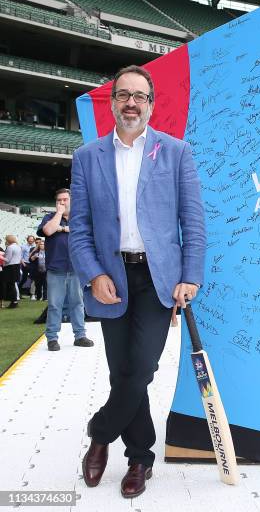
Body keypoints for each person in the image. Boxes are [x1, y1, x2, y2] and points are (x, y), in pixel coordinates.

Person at [70, 65, 205, 498]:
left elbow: (193, 222)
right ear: (112, 102)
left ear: (150, 103)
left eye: (140, 96)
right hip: (111, 276)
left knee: (141, 368)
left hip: (157, 277)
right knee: (121, 370)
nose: (131, 103)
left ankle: (100, 431)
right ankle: (140, 459)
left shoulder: (175, 152)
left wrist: (191, 276)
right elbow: (80, 229)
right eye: (123, 95)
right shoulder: (86, 157)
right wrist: (93, 274)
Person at [37, 189, 92, 351]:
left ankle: (80, 335)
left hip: (76, 269)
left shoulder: (79, 218)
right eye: (59, 200)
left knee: (78, 303)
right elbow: (48, 231)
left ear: (72, 201)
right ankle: (52, 338)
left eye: (65, 199)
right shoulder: (49, 218)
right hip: (56, 269)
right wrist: (59, 217)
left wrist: (64, 228)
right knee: (55, 304)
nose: (62, 202)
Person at [2, 235, 22, 308]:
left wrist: (1, 257)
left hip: (10, 268)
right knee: (12, 284)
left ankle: (14, 302)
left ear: (8, 240)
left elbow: (7, 259)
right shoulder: (18, 246)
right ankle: (14, 301)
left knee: (11, 285)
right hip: (16, 266)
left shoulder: (10, 247)